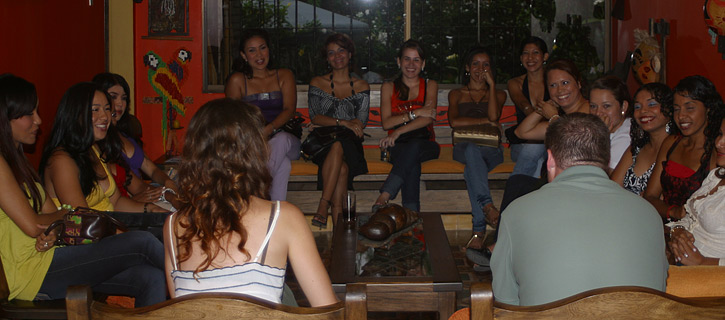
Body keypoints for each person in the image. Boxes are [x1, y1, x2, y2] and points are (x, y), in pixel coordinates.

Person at [0, 74, 165, 307]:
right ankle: (201, 283)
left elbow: (54, 217)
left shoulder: (18, 162)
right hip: (33, 274)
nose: (38, 120)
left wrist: (53, 231)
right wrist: (58, 219)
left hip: (52, 257)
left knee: (151, 278)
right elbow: (34, 224)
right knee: (143, 242)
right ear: (5, 117)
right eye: (29, 114)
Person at [163, 98, 338, 307]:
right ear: (254, 151)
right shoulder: (284, 218)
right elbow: (327, 310)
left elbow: (179, 309)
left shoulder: (173, 226)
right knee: (286, 295)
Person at [490, 113, 668, 306]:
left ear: (550, 160)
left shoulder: (517, 212)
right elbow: (659, 289)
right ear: (607, 159)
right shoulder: (648, 214)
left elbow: (505, 303)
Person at [39, 82, 164, 213]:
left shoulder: (94, 149)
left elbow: (116, 202)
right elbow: (81, 218)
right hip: (91, 230)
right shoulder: (60, 161)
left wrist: (150, 209)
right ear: (76, 114)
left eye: (107, 109)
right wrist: (124, 230)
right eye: (95, 109)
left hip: (109, 225)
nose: (105, 116)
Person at [225, 28, 300, 201]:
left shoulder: (284, 75)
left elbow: (289, 110)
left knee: (280, 140)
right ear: (244, 55)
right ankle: (274, 214)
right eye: (252, 50)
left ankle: (255, 189)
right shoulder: (237, 80)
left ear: (269, 49)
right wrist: (255, 138)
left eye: (262, 47)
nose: (259, 54)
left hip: (287, 141)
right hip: (252, 145)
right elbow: (234, 118)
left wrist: (267, 130)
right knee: (284, 166)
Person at [307, 33, 370, 228]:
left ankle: (323, 205)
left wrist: (338, 123)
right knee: (340, 167)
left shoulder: (361, 86)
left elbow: (360, 123)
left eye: (341, 50)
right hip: (322, 145)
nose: (337, 56)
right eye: (331, 53)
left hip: (350, 144)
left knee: (340, 148)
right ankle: (340, 240)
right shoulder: (317, 83)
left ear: (350, 54)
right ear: (327, 58)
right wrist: (343, 122)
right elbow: (314, 116)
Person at [448, 46, 507, 250]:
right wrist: (486, 122)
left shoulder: (498, 94)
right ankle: (488, 208)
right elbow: (454, 122)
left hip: (492, 151)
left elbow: (494, 117)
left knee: (470, 169)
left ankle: (479, 230)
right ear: (467, 67)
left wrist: (491, 86)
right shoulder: (456, 93)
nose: (480, 69)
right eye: (475, 64)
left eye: (486, 65)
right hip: (464, 148)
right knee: (472, 151)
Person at [92, 73, 179, 207]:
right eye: (113, 97)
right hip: (131, 203)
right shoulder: (99, 142)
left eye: (124, 98)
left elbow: (151, 170)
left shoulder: (124, 134)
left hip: (146, 192)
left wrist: (168, 183)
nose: (120, 103)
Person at [644, 75, 722, 222]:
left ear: (709, 109)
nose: (681, 116)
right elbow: (650, 196)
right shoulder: (671, 143)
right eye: (676, 109)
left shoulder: (715, 152)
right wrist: (672, 212)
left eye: (690, 108)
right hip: (663, 226)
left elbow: (708, 215)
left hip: (696, 235)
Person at [373, 39, 439, 213]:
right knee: (412, 162)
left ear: (423, 63)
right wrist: (416, 113)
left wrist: (399, 130)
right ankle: (412, 217)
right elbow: (386, 122)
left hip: (426, 144)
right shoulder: (388, 87)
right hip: (398, 146)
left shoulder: (430, 85)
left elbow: (428, 119)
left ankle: (386, 193)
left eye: (416, 60)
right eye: (406, 59)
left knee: (414, 148)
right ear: (399, 61)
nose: (411, 64)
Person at [669, 118, 725, 265]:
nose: (719, 143)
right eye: (720, 134)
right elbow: (691, 217)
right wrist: (678, 231)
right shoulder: (716, 176)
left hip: (711, 278)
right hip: (679, 263)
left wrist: (702, 262)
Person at [611, 83, 673, 195]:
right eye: (637, 107)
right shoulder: (636, 147)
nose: (643, 111)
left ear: (669, 108)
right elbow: (612, 188)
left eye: (652, 104)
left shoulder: (676, 149)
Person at [506, 37, 549, 178]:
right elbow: (524, 106)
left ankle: (517, 194)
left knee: (540, 158)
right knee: (534, 149)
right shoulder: (515, 83)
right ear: (521, 58)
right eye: (525, 53)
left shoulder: (555, 83)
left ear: (545, 56)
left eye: (535, 52)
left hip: (552, 144)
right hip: (522, 143)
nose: (530, 58)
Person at [588, 75, 632, 169]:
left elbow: (604, 177)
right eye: (593, 106)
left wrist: (601, 135)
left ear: (623, 106)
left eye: (606, 106)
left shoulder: (627, 134)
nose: (598, 113)